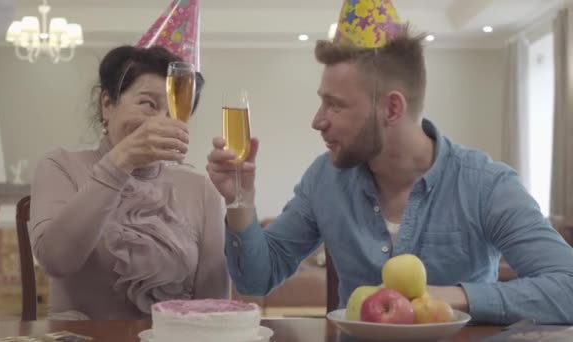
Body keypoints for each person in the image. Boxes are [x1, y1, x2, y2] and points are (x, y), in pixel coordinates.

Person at [206, 22, 573, 325]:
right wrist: (241, 198)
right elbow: (256, 278)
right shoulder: (324, 180)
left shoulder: (486, 184)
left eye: (334, 105)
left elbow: (568, 288)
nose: (317, 121)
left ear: (392, 108)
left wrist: (452, 297)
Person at [30, 45, 229, 320]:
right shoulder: (60, 166)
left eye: (175, 111)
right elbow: (56, 260)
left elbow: (213, 304)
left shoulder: (202, 190)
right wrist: (121, 161)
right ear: (107, 105)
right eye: (148, 104)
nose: (160, 121)